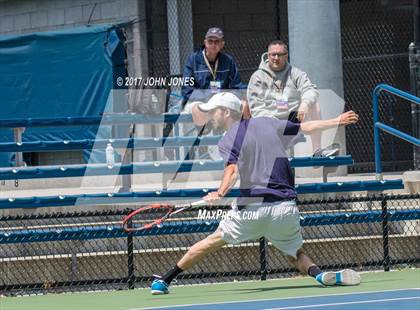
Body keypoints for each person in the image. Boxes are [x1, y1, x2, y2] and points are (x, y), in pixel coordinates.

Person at [150, 92, 361, 295]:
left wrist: (220, 191)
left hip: (252, 211)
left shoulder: (228, 139)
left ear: (226, 112)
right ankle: (319, 274)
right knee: (296, 253)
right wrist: (337, 120)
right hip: (285, 209)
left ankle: (165, 280)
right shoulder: (267, 122)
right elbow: (305, 127)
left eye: (213, 111)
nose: (210, 116)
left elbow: (231, 171)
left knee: (211, 242)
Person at [247, 40, 338, 157]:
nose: (275, 58)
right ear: (268, 55)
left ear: (286, 56)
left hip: (293, 119)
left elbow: (310, 90)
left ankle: (317, 151)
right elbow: (256, 107)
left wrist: (304, 104)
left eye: (279, 54)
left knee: (314, 105)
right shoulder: (257, 77)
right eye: (272, 54)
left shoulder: (296, 73)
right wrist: (275, 123)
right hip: (270, 122)